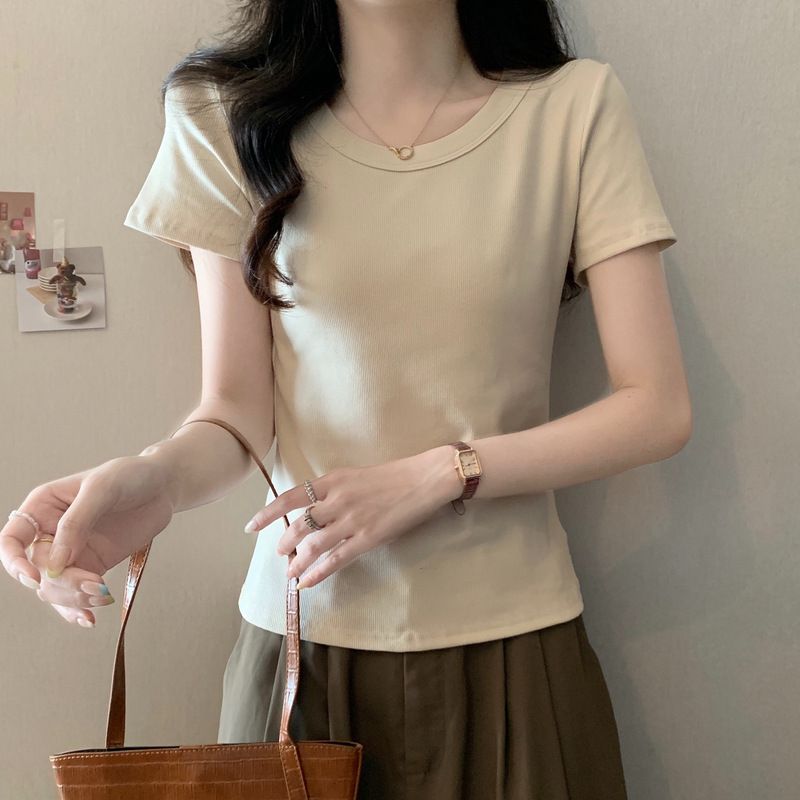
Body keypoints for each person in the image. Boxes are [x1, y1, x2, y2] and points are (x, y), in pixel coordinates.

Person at [1, 1, 692, 798]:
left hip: (517, 649)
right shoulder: (222, 115)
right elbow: (235, 410)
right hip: (302, 660)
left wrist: (445, 471)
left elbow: (656, 406)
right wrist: (154, 481)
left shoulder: (573, 107)